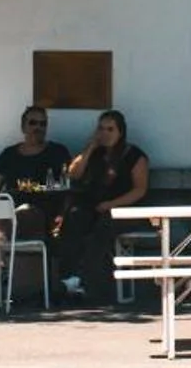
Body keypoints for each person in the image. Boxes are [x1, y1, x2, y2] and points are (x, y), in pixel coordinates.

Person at [0, 105, 71, 305]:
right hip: (7, 216)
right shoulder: (9, 154)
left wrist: (63, 216)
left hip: (40, 215)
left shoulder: (57, 152)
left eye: (43, 124)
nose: (38, 127)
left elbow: (69, 188)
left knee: (20, 213)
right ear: (23, 127)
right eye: (33, 123)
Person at [56, 109, 150, 306]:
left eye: (110, 129)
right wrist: (90, 147)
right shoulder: (96, 153)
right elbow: (73, 174)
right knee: (74, 218)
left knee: (102, 230)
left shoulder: (135, 156)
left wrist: (111, 204)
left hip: (124, 210)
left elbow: (139, 190)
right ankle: (67, 278)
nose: (105, 133)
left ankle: (90, 287)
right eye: (101, 128)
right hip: (95, 207)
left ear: (120, 132)